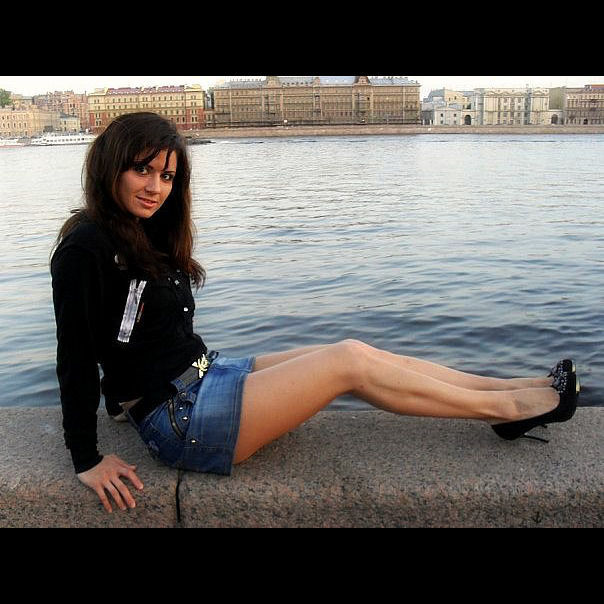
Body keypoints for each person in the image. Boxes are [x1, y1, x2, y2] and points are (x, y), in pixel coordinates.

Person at [51, 112, 580, 514]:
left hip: (208, 375)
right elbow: (75, 354)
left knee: (358, 351)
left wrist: (118, 397)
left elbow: (128, 333)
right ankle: (509, 409)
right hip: (181, 418)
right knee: (349, 361)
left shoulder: (139, 230)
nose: (155, 187)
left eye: (166, 176)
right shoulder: (86, 245)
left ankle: (508, 387)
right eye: (142, 170)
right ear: (110, 165)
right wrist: (86, 458)